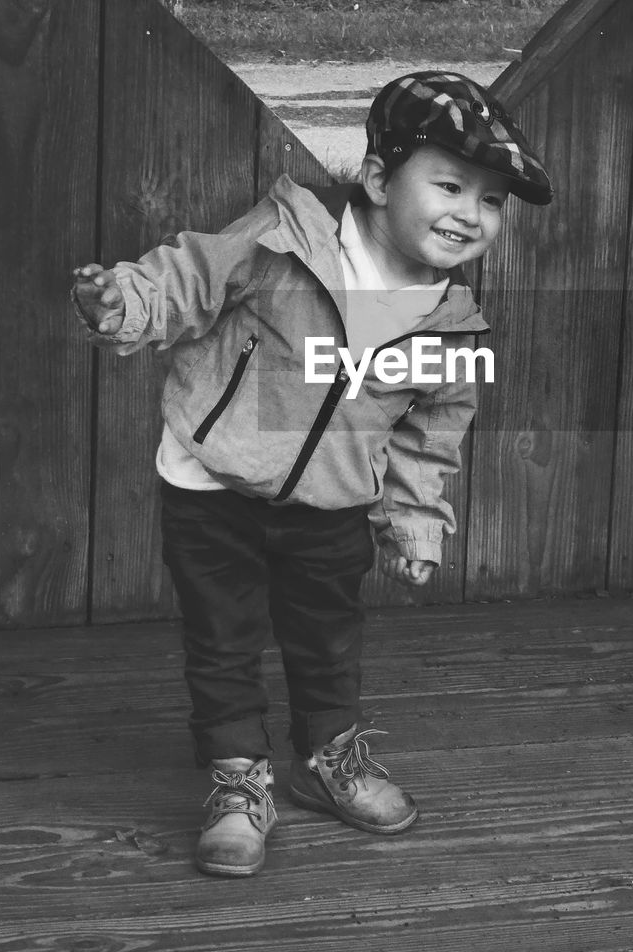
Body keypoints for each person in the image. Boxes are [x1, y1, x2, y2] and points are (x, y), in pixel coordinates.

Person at [72, 71, 552, 877]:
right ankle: (236, 782)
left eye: (493, 200)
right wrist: (127, 299)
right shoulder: (285, 236)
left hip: (330, 502)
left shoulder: (451, 323)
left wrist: (414, 523)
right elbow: (193, 275)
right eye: (449, 184)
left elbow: (432, 433)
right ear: (376, 179)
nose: (471, 213)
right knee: (222, 640)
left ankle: (328, 761)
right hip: (210, 483)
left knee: (327, 640)